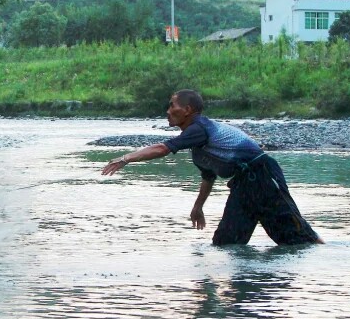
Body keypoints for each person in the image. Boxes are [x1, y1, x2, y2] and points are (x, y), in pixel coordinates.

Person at [101, 89, 323, 246]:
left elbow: (163, 148)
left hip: (263, 176)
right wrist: (198, 207)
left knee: (298, 238)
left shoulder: (200, 128)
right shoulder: (198, 148)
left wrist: (126, 158)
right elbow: (208, 177)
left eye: (172, 105)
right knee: (226, 243)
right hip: (241, 186)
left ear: (187, 110)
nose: (167, 110)